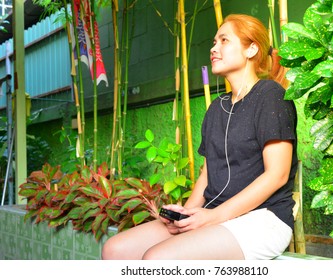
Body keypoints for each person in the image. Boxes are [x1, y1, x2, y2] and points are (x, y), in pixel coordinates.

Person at [101, 13, 298, 260]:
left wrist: (213, 217)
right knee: (115, 250)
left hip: (262, 219)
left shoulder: (271, 95)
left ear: (251, 49)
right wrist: (186, 213)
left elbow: (276, 175)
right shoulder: (217, 107)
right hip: (214, 213)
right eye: (214, 42)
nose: (214, 48)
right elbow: (208, 173)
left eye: (224, 41)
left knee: (158, 259)